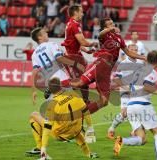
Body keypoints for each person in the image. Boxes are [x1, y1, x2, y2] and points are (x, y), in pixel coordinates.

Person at [66, 18, 147, 114]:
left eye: (112, 23)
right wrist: (109, 30)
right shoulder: (104, 35)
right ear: (105, 27)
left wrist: (143, 57)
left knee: (104, 101)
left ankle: (80, 115)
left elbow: (128, 52)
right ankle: (55, 85)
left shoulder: (119, 38)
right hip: (100, 64)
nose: (112, 25)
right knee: (79, 83)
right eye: (109, 24)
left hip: (107, 70)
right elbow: (100, 34)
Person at [113, 51, 157, 160]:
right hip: (143, 105)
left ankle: (122, 140)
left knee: (142, 139)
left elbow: (127, 86)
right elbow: (147, 86)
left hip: (131, 106)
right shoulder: (151, 71)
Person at [27, 77, 98, 159]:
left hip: (60, 135)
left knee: (33, 115)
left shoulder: (52, 104)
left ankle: (40, 149)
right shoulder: (74, 94)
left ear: (50, 89)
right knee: (71, 123)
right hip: (77, 131)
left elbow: (47, 128)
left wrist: (44, 149)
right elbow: (86, 111)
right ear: (60, 85)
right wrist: (90, 128)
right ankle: (89, 154)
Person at [61, 4, 98, 143]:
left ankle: (79, 124)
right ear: (75, 12)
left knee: (84, 87)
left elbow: (77, 43)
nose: (83, 14)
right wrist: (94, 43)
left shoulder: (71, 23)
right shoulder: (75, 24)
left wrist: (87, 50)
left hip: (76, 57)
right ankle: (72, 126)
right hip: (72, 59)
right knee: (78, 89)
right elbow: (82, 41)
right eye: (81, 12)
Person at [107, 44, 143, 139]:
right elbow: (117, 79)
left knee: (139, 111)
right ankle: (111, 129)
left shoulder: (140, 63)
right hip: (125, 91)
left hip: (137, 91)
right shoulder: (123, 64)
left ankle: (134, 131)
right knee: (124, 113)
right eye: (131, 50)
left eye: (135, 50)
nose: (134, 51)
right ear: (127, 51)